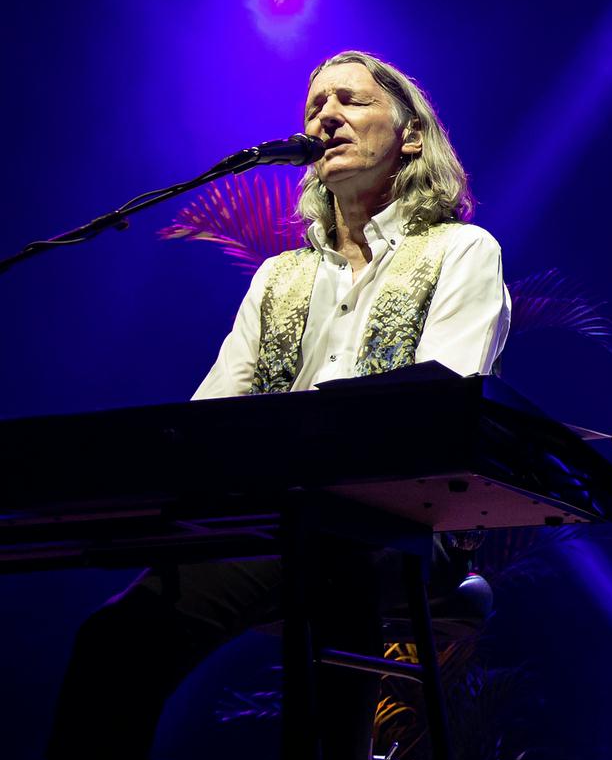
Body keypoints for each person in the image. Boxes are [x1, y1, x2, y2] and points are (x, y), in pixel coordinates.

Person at [47, 51, 511, 760]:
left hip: (401, 526)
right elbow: (213, 415)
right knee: (117, 638)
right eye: (314, 106)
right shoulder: (278, 277)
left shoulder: (460, 250)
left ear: (410, 135)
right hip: (274, 522)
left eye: (350, 101)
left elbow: (441, 407)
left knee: (331, 571)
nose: (325, 115)